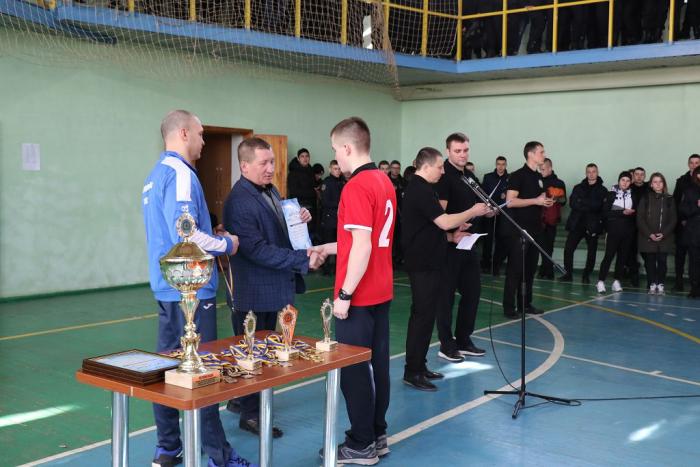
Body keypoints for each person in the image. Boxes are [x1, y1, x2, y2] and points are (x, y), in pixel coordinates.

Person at [142, 110, 254, 467]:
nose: (204, 141)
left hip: (166, 287)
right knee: (200, 372)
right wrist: (227, 244)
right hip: (190, 289)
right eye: (202, 134)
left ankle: (167, 447)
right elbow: (185, 234)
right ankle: (220, 456)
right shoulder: (180, 174)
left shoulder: (154, 175)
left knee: (167, 369)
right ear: (184, 133)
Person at [223, 137, 319, 439]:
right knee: (253, 352)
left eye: (272, 162)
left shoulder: (271, 190)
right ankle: (251, 416)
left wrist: (300, 219)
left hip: (271, 288)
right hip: (253, 291)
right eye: (263, 163)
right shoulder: (239, 201)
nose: (270, 168)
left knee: (262, 351)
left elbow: (279, 230)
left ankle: (240, 398)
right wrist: (301, 258)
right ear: (244, 166)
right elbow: (256, 250)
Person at [314, 117, 396, 465]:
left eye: (335, 149)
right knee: (378, 366)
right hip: (381, 290)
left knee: (355, 370)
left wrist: (344, 295)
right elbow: (360, 241)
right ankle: (377, 434)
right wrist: (325, 248)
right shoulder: (384, 181)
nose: (335, 156)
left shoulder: (356, 186)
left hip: (360, 295)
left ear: (347, 148)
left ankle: (361, 444)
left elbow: (362, 246)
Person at [401, 147, 490, 391]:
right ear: (426, 166)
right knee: (421, 317)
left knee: (427, 316)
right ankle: (412, 370)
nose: (442, 171)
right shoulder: (419, 189)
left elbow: (430, 228)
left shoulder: (426, 188)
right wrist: (472, 211)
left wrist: (452, 237)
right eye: (439, 167)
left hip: (432, 259)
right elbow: (443, 221)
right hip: (422, 263)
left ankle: (420, 366)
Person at [434, 132, 494, 361]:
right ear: (448, 151)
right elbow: (439, 214)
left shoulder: (469, 176)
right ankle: (446, 344)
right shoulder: (443, 176)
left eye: (465, 150)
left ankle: (463, 339)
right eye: (457, 151)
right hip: (449, 246)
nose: (462, 154)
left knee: (472, 293)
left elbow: (482, 203)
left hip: (469, 243)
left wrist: (489, 210)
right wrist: (453, 231)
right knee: (446, 297)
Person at [501, 141, 553, 319]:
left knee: (530, 270)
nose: (544, 154)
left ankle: (525, 303)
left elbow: (537, 199)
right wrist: (535, 201)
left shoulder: (538, 177)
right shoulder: (518, 175)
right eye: (541, 152)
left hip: (535, 229)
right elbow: (510, 202)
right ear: (530, 154)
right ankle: (509, 307)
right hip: (518, 230)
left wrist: (544, 201)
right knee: (515, 270)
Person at [560, 163, 607, 284]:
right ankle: (568, 274)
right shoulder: (578, 187)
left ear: (597, 172)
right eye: (589, 172)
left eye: (593, 171)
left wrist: (582, 202)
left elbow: (599, 206)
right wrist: (590, 205)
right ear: (586, 173)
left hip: (593, 226)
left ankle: (586, 275)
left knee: (591, 252)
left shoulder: (603, 190)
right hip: (577, 224)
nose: (591, 174)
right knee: (568, 249)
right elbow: (573, 203)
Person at [596, 171, 636, 293]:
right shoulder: (611, 194)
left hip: (627, 232)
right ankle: (600, 281)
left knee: (622, 257)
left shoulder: (633, 195)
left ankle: (616, 281)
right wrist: (622, 212)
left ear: (630, 182)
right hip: (613, 231)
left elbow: (636, 212)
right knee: (609, 256)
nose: (625, 183)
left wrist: (631, 214)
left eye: (628, 181)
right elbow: (605, 213)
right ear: (619, 181)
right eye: (623, 180)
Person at [637, 172, 677, 295]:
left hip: (664, 238)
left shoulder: (670, 199)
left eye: (660, 182)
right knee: (650, 262)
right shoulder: (645, 198)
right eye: (655, 182)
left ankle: (660, 284)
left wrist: (664, 234)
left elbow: (673, 219)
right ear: (651, 184)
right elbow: (640, 218)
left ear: (663, 184)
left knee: (662, 262)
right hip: (648, 238)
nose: (658, 184)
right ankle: (652, 284)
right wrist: (650, 234)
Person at [672, 154, 700, 291]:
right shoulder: (682, 181)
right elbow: (676, 202)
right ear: (688, 164)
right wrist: (682, 220)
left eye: (697, 163)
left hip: (696, 225)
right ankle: (679, 282)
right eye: (692, 163)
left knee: (695, 256)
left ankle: (695, 285)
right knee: (680, 254)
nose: (694, 165)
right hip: (683, 225)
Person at [538, 158, 567, 279]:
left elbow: (564, 201)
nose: (541, 171)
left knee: (549, 246)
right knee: (540, 246)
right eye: (540, 169)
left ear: (550, 168)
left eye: (543, 169)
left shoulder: (559, 183)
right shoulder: (537, 180)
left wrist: (555, 197)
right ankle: (546, 270)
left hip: (551, 220)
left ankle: (546, 271)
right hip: (537, 219)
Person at [481, 156, 509, 275]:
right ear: (496, 164)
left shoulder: (510, 178)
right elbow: (483, 195)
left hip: (502, 214)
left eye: (503, 164)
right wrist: (489, 209)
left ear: (506, 165)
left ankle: (496, 266)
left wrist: (500, 208)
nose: (500, 166)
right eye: (498, 164)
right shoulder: (488, 177)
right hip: (489, 213)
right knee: (488, 240)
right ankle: (486, 265)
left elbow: (510, 198)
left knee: (500, 240)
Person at [320, 160, 344, 275]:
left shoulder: (342, 182)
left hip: (340, 219)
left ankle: (338, 267)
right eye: (335, 169)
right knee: (328, 244)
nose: (337, 171)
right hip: (329, 218)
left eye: (339, 169)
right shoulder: (327, 183)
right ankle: (326, 268)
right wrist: (340, 204)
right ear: (330, 169)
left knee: (340, 244)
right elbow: (325, 202)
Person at [287, 148, 317, 237]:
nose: (305, 158)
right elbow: (293, 192)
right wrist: (313, 192)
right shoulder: (293, 173)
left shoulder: (311, 171)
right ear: (298, 158)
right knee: (302, 236)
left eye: (307, 156)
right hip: (300, 209)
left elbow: (313, 186)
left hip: (312, 207)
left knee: (311, 234)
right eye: (302, 156)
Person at [680, 166, 700, 298]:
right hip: (694, 231)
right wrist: (697, 207)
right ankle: (695, 288)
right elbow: (683, 209)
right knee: (694, 261)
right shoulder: (689, 190)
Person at [389, 160, 406, 267]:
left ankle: (399, 258)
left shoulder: (403, 182)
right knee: (391, 237)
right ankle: (391, 258)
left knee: (400, 237)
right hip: (389, 213)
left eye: (398, 168)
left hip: (400, 214)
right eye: (394, 168)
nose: (396, 170)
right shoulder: (386, 180)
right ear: (391, 168)